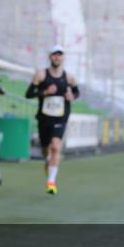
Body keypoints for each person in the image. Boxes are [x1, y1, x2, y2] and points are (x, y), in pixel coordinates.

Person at [26, 45, 79, 195]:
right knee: (45, 149)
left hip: (61, 117)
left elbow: (76, 92)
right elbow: (29, 94)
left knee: (56, 146)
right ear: (50, 57)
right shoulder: (41, 75)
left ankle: (51, 182)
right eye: (55, 54)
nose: (57, 57)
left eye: (60, 55)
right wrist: (45, 92)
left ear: (63, 57)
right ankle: (47, 160)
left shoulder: (69, 77)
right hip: (44, 118)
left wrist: (72, 96)